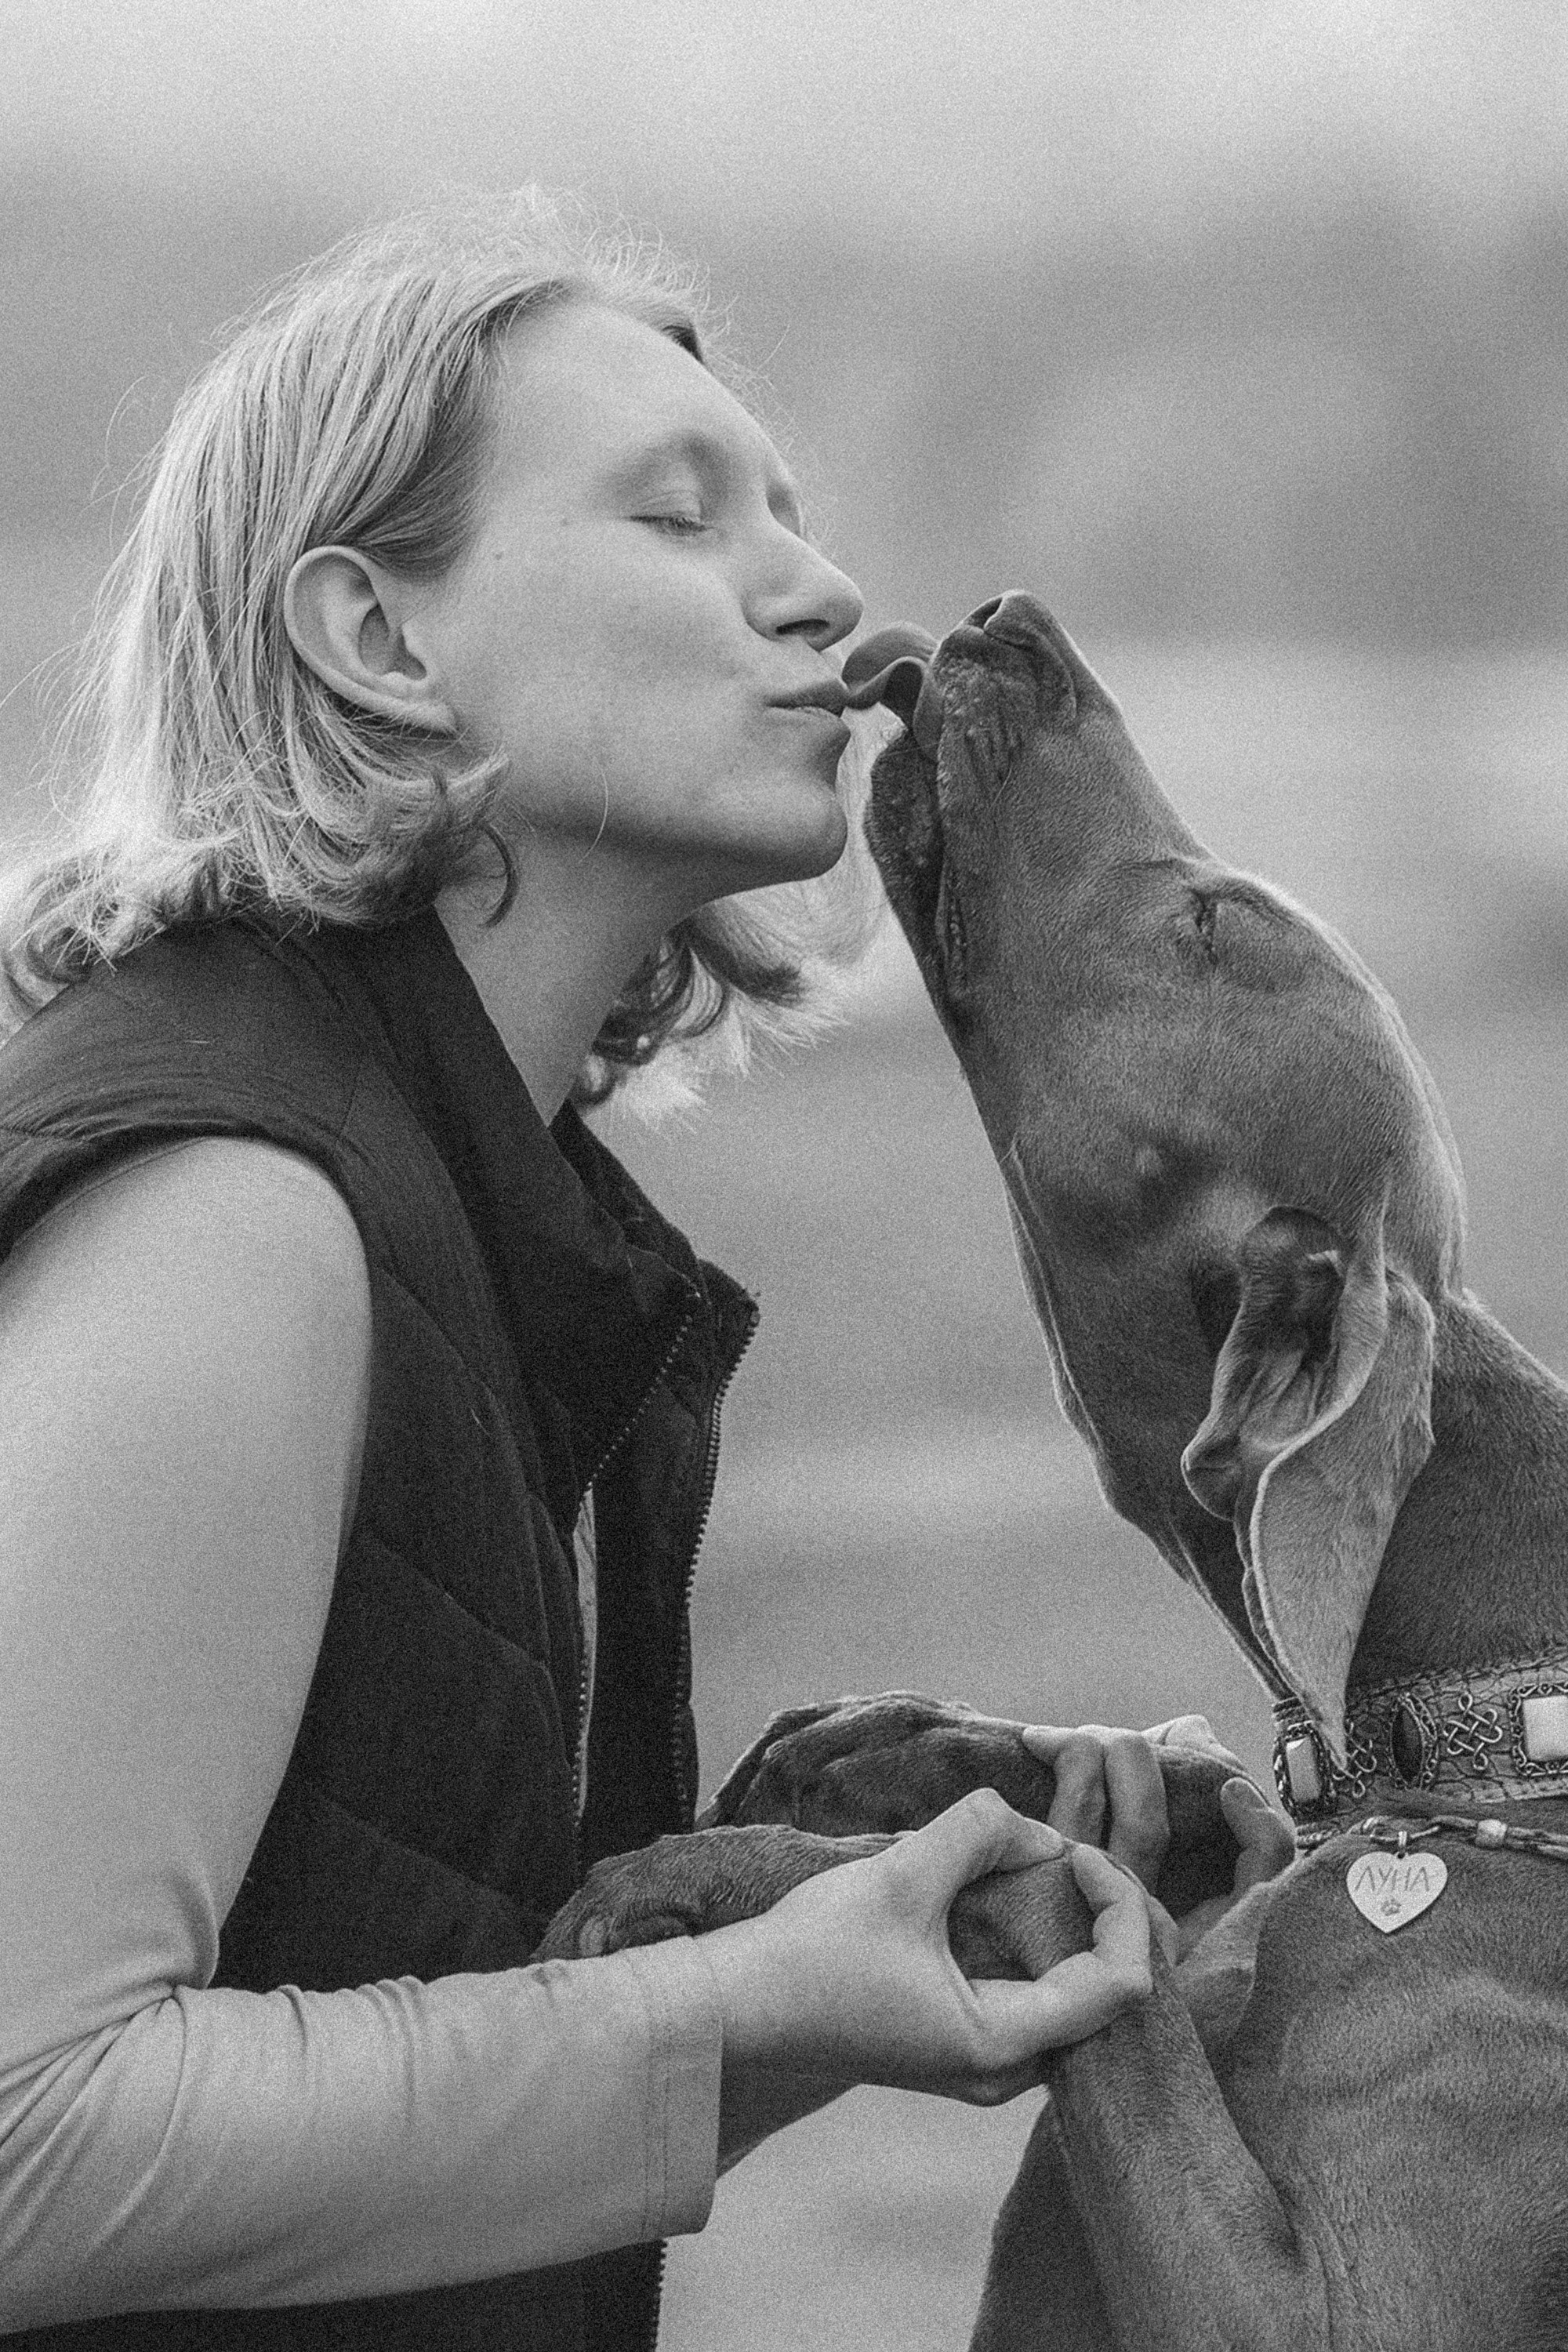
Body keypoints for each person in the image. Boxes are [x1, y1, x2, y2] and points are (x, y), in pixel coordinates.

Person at [0, 192, 1277, 2351]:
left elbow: (368, 2090)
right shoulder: (242, 1202)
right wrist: (716, 2010)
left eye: (782, 506)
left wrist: (828, 1963)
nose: (823, 593)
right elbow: (30, 2140)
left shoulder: (482, 1215)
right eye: (679, 523)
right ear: (373, 637)